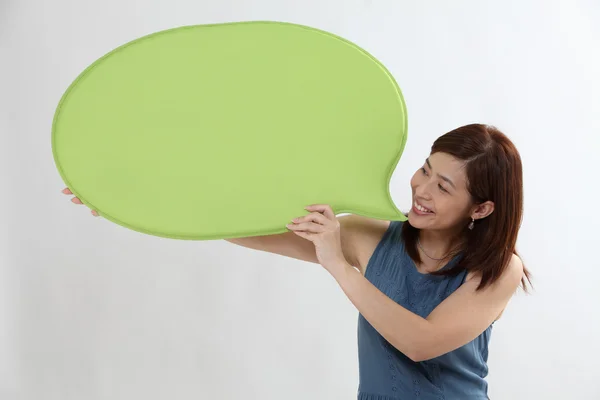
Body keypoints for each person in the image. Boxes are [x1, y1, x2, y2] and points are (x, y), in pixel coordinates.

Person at [62, 123, 531, 399]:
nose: (422, 190)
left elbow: (419, 343)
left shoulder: (498, 269)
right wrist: (126, 200)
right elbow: (255, 232)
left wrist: (338, 264)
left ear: (482, 208)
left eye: (444, 187)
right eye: (425, 170)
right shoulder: (369, 236)